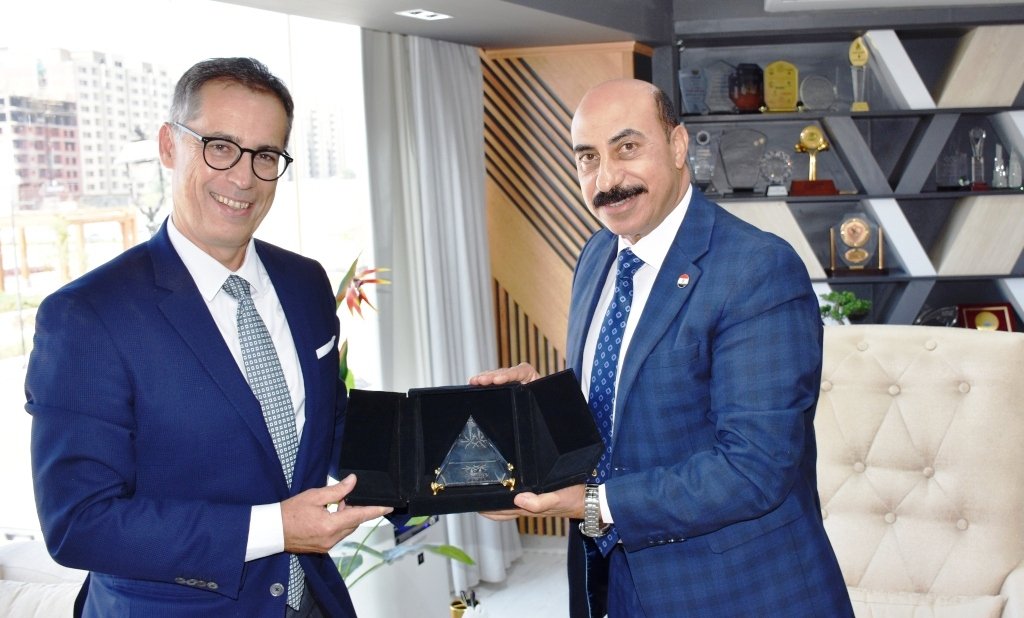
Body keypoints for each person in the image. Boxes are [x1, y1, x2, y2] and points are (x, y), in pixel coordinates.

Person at [471, 78, 853, 617]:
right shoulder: (597, 256)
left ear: (677, 146)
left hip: (736, 592)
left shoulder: (758, 269)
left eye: (627, 147)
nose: (606, 179)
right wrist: (538, 405)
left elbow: (754, 468)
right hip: (610, 583)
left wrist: (593, 503)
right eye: (587, 157)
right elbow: (614, 410)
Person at [25, 57, 390, 617]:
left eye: (265, 155)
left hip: (311, 601)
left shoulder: (304, 282)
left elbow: (333, 428)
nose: (243, 178)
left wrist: (468, 466)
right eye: (220, 146)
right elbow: (79, 523)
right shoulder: (87, 316)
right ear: (169, 146)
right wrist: (276, 528)